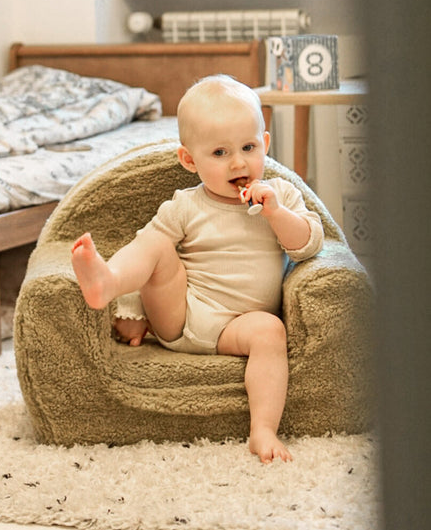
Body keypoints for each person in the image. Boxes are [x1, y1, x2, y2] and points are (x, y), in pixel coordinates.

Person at [71, 74, 324, 463]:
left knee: (270, 331)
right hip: (181, 313)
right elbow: (150, 259)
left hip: (236, 327)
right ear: (190, 160)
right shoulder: (185, 205)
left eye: (248, 147)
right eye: (219, 153)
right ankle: (109, 284)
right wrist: (133, 307)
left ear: (266, 145)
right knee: (156, 244)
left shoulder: (283, 195)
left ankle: (263, 430)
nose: (239, 161)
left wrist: (275, 212)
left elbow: (309, 245)